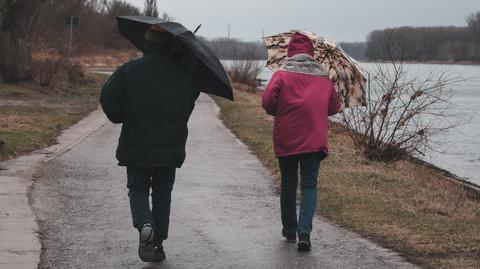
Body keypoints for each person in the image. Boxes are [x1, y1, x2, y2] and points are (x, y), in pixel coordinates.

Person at [100, 26, 200, 262]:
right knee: (163, 192)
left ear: (146, 45)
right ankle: (158, 244)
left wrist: (121, 115)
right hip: (170, 144)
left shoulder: (129, 70)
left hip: (137, 142)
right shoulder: (184, 74)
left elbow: (108, 96)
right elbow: (188, 105)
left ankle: (145, 223)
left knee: (138, 189)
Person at [261, 32, 340, 252]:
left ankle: (289, 230)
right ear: (312, 54)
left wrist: (278, 110)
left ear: (290, 52)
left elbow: (267, 101)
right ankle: (304, 232)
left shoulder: (281, 74)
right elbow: (334, 107)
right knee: (309, 185)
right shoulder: (324, 77)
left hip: (286, 137)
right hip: (314, 140)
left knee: (288, 183)